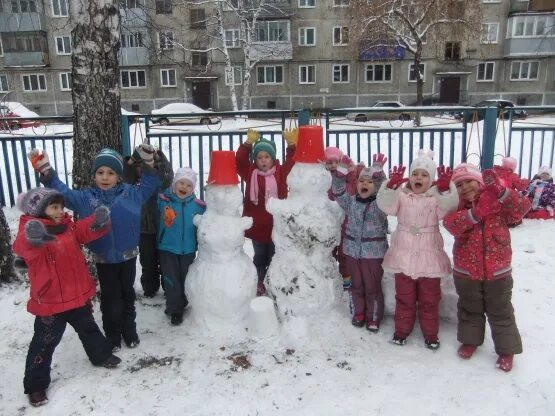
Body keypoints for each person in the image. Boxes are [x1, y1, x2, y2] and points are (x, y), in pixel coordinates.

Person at [28, 144, 162, 352]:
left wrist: (149, 162)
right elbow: (62, 192)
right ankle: (113, 334)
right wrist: (46, 171)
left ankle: (130, 330)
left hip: (128, 257)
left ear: (119, 176)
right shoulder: (86, 199)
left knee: (127, 295)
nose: (105, 177)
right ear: (94, 176)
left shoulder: (131, 194)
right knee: (110, 299)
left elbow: (151, 182)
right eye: (100, 172)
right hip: (104, 259)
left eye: (111, 173)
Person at [13, 187, 121, 407]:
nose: (60, 210)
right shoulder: (32, 232)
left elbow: (84, 229)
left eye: (61, 206)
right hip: (51, 302)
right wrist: (34, 237)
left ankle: (100, 356)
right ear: (40, 211)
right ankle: (36, 385)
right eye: (54, 207)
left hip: (75, 295)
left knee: (88, 328)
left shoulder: (68, 227)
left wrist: (98, 221)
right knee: (44, 343)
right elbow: (23, 247)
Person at [443, 164, 531, 372]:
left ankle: (506, 349)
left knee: (501, 311)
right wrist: (474, 213)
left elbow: (521, 209)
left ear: (480, 182)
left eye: (469, 181)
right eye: (460, 185)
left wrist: (501, 193)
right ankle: (470, 341)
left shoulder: (498, 202)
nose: (465, 187)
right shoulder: (457, 206)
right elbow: (451, 225)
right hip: (466, 272)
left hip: (498, 272)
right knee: (469, 308)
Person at [377, 150, 459, 350]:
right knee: (404, 297)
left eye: (424, 175)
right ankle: (401, 330)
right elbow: (387, 206)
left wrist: (444, 192)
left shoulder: (434, 199)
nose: (419, 178)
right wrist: (391, 188)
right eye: (415, 174)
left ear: (431, 179)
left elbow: (449, 208)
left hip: (428, 257)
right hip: (403, 256)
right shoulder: (402, 196)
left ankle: (431, 334)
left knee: (430, 299)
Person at [330, 153, 389, 332]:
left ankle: (373, 316)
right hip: (352, 251)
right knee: (356, 285)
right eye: (362, 181)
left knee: (372, 286)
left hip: (373, 253)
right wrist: (341, 171)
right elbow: (338, 191)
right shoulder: (351, 203)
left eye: (370, 182)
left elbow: (385, 190)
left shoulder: (380, 204)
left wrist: (378, 172)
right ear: (356, 185)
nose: (365, 184)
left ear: (375, 186)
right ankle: (359, 313)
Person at [236, 128, 297, 296]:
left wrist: (292, 145)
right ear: (255, 159)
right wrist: (248, 144)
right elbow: (239, 161)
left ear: (273, 158)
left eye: (267, 157)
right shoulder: (251, 174)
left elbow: (292, 163)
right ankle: (259, 282)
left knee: (275, 256)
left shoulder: (280, 173)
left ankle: (274, 283)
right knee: (260, 256)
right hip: (257, 226)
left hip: (276, 225)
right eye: (260, 157)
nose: (263, 161)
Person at [157, 167, 206, 325]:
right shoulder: (164, 201)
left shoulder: (199, 206)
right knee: (171, 279)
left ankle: (183, 302)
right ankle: (174, 309)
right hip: (167, 248)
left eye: (189, 185)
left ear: (193, 189)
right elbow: (155, 195)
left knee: (186, 278)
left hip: (189, 249)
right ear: (174, 185)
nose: (184, 187)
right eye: (181, 183)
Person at [123, 146, 174, 298]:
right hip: (143, 229)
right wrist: (132, 159)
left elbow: (167, 175)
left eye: (146, 166)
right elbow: (125, 175)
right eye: (140, 167)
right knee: (147, 262)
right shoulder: (133, 183)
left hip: (162, 227)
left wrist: (158, 157)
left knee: (166, 262)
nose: (143, 170)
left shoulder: (160, 181)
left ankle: (168, 289)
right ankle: (149, 289)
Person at [324, 146, 365, 290]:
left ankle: (346, 279)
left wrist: (354, 172)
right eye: (329, 162)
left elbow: (352, 192)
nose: (334, 166)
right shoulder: (323, 180)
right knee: (327, 252)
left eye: (337, 162)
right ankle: (328, 278)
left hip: (346, 225)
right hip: (329, 224)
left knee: (344, 254)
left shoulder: (349, 178)